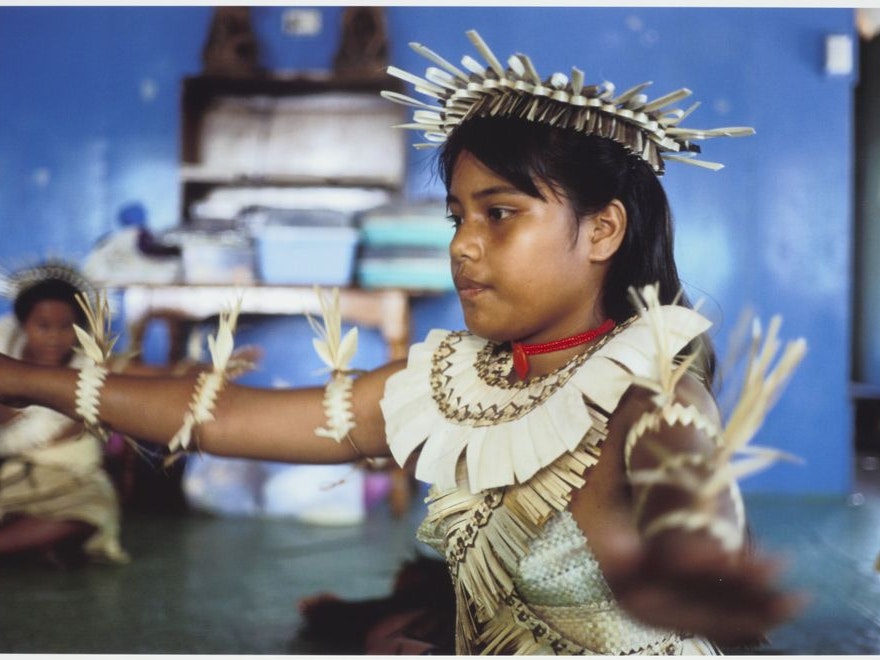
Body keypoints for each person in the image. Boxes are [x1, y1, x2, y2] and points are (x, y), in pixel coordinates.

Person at [0, 31, 807, 653]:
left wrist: (685, 571)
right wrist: (19, 378)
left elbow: (707, 565)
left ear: (602, 230)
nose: (461, 244)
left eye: (500, 212)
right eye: (457, 215)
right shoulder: (455, 381)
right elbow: (219, 416)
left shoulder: (655, 398)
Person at [0, 260, 130, 565]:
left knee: (92, 509)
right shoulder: (5, 357)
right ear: (23, 324)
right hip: (11, 470)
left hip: (72, 475)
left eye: (65, 327)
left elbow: (137, 376)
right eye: (43, 326)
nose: (55, 337)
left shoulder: (90, 368)